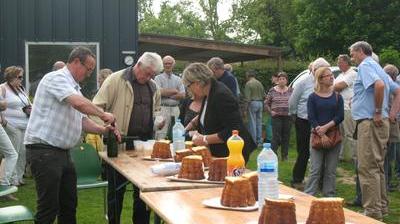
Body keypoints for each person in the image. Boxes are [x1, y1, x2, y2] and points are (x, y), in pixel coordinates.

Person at [24, 46, 119, 224]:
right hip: (44, 151)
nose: (90, 73)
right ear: (76, 61)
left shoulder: (73, 87)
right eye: (88, 68)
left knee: (69, 205)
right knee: (48, 207)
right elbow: (79, 104)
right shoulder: (56, 78)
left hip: (63, 153)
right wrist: (103, 114)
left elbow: (82, 120)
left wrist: (103, 130)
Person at [93, 52, 163, 224]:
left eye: (152, 75)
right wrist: (106, 129)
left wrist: (158, 120)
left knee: (143, 192)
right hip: (118, 145)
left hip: (144, 147)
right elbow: (95, 108)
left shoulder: (153, 86)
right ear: (138, 65)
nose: (149, 78)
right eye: (147, 73)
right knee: (116, 193)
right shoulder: (115, 80)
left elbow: (156, 111)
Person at [350, 41, 400, 220]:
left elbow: (378, 86)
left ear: (361, 51)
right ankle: (381, 208)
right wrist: (391, 114)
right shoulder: (379, 67)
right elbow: (398, 91)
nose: (352, 57)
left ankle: (371, 213)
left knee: (367, 167)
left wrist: (378, 112)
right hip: (380, 123)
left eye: (353, 53)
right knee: (377, 167)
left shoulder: (365, 66)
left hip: (370, 123)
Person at [182, 63, 256, 162]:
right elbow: (209, 113)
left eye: (188, 86)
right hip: (219, 152)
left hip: (231, 153)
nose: (189, 89)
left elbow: (233, 130)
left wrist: (204, 139)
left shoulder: (221, 95)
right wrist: (189, 126)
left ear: (197, 83)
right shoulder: (208, 91)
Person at [288, 58, 330, 190]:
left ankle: (320, 182)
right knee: (304, 151)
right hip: (304, 120)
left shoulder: (326, 82)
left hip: (322, 122)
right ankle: (297, 179)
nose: (327, 73)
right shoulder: (303, 82)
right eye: (324, 70)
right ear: (315, 69)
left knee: (321, 151)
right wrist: (294, 116)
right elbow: (292, 102)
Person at [304, 67, 344, 196]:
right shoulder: (312, 97)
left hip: (334, 136)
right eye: (328, 75)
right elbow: (311, 117)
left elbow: (340, 116)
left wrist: (326, 128)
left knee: (331, 171)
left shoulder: (338, 97)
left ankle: (329, 196)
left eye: (331, 75)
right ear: (320, 79)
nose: (332, 77)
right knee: (315, 169)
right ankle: (309, 195)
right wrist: (321, 133)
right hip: (317, 136)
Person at [0, 66, 31, 186]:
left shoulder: (21, 89)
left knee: (22, 152)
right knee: (13, 152)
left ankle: (18, 178)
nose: (21, 80)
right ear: (11, 77)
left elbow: (27, 102)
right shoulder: (3, 88)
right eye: (20, 77)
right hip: (12, 124)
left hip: (24, 124)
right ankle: (9, 180)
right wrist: (3, 120)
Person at [154, 55, 185, 139]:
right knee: (161, 132)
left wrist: (167, 94)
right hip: (163, 109)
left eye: (170, 63)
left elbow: (182, 94)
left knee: (177, 132)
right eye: (165, 63)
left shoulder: (178, 79)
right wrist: (175, 91)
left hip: (175, 109)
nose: (168, 65)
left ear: (173, 64)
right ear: (163, 65)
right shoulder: (157, 78)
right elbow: (159, 92)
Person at [334, 54, 357, 162]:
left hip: (348, 108)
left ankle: (354, 157)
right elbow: (334, 87)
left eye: (340, 62)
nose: (338, 64)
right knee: (341, 134)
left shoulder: (352, 73)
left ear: (346, 62)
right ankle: (342, 156)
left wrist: (328, 86)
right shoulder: (340, 75)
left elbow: (339, 87)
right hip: (340, 107)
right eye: (338, 62)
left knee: (349, 133)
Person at [265, 72, 292, 161]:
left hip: (287, 117)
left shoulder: (291, 90)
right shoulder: (272, 90)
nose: (281, 81)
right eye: (280, 79)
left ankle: (285, 156)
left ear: (286, 81)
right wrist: (270, 111)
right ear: (277, 80)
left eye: (283, 79)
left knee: (286, 136)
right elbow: (266, 103)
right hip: (276, 116)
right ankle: (274, 155)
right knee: (276, 137)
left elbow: (294, 102)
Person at [383, 64, 400, 192]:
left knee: (388, 154)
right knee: (388, 155)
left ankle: (387, 181)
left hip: (390, 122)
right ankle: (386, 182)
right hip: (391, 123)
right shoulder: (391, 87)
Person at [244, 70, 265, 146]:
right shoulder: (259, 83)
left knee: (252, 123)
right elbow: (264, 95)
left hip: (252, 103)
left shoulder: (248, 84)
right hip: (260, 103)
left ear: (248, 75)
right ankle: (259, 141)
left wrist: (245, 109)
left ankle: (253, 141)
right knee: (259, 122)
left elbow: (247, 98)